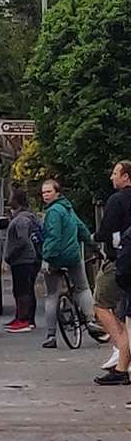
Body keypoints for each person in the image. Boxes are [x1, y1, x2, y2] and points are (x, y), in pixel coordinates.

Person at [39, 177, 106, 348]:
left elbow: (53, 237)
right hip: (73, 257)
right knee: (82, 287)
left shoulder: (53, 212)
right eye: (44, 192)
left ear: (57, 192)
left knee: (52, 294)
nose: (45, 195)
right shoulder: (68, 209)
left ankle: (51, 335)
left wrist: (46, 258)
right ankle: (90, 320)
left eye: (49, 192)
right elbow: (82, 229)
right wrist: (95, 247)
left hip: (55, 258)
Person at [89, 160, 130, 386]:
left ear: (126, 177)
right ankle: (123, 361)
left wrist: (96, 237)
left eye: (115, 173)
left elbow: (106, 230)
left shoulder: (117, 200)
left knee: (101, 304)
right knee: (126, 313)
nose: (112, 177)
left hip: (119, 260)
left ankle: (120, 348)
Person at [3, 188, 41, 333]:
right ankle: (23, 317)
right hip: (23, 259)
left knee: (22, 290)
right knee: (23, 289)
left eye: (11, 197)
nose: (8, 200)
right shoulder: (23, 217)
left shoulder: (22, 219)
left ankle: (24, 320)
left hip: (22, 259)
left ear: (17, 200)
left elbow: (23, 240)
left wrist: (11, 254)